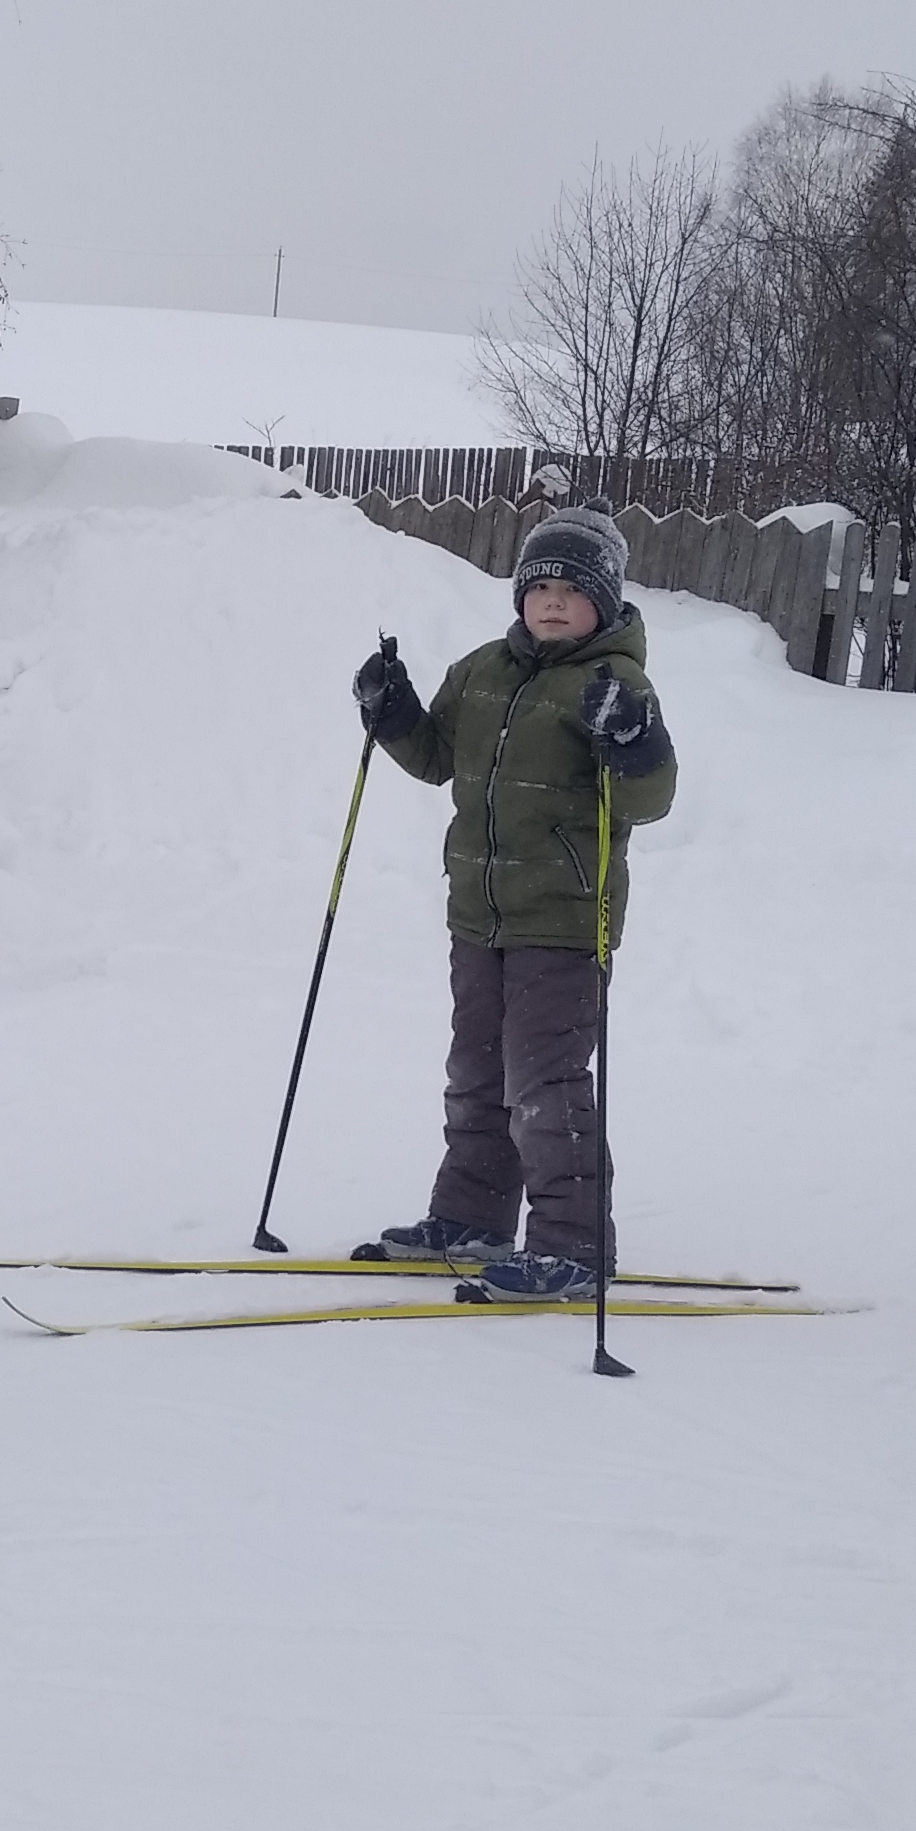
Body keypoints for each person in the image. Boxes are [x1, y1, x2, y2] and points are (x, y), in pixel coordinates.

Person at [345, 507, 677, 1299]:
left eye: (574, 589)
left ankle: (574, 1245)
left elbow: (650, 799)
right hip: (479, 915)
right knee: (477, 1072)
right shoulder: (482, 670)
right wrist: (392, 714)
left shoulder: (616, 683)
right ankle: (471, 1217)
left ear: (606, 600)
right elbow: (435, 759)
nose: (554, 603)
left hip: (564, 921)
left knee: (544, 1085)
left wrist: (631, 742)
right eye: (541, 587)